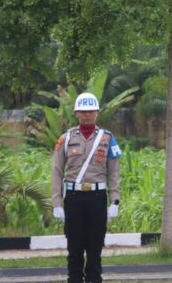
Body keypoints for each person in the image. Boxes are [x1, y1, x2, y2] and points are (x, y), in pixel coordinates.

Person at [51, 92, 121, 283]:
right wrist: (57, 203)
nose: (87, 115)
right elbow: (57, 171)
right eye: (83, 111)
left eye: (91, 111)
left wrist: (115, 200)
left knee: (95, 247)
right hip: (73, 197)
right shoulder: (65, 138)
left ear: (97, 113)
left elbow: (114, 172)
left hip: (97, 197)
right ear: (76, 113)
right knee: (74, 247)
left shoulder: (107, 138)